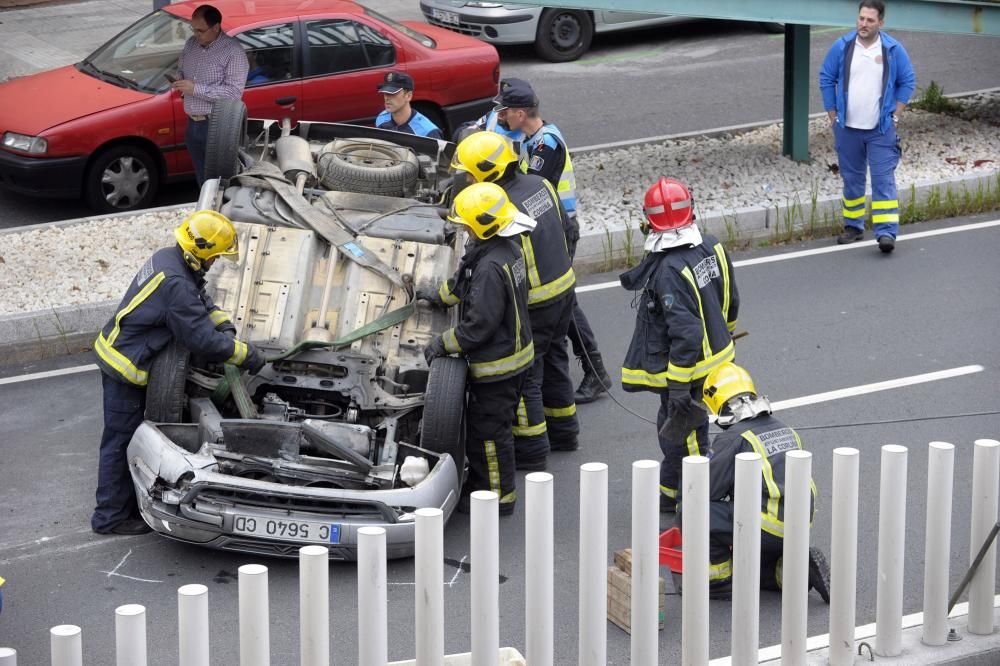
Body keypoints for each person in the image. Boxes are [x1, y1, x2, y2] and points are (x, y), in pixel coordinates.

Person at [91, 210, 266, 535]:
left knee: (121, 438)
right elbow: (200, 338)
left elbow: (199, 298)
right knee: (119, 441)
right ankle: (109, 517)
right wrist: (246, 354)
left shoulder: (170, 259)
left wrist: (223, 323)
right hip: (124, 366)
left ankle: (121, 504)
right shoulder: (175, 283)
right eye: (215, 257)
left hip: (120, 351)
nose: (216, 262)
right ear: (199, 254)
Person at [451, 131, 579, 469]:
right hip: (564, 289)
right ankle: (565, 433)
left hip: (536, 303)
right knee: (555, 360)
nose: (466, 179)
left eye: (470, 174)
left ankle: (532, 452)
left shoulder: (500, 208)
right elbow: (569, 231)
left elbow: (500, 261)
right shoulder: (541, 184)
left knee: (528, 378)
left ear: (486, 172)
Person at [620, 177, 739, 512]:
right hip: (718, 356)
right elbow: (730, 295)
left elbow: (685, 333)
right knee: (680, 430)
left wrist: (677, 387)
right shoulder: (711, 245)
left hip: (688, 371)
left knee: (683, 435)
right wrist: (724, 337)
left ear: (649, 220)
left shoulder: (669, 270)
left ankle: (695, 499)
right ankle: (670, 493)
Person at [418, 182, 535, 515]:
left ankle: (499, 498)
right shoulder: (503, 248)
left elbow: (478, 326)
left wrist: (442, 343)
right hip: (511, 358)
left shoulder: (489, 267)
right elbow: (462, 285)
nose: (464, 230)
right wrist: (435, 295)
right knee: (488, 433)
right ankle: (483, 484)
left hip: (499, 367)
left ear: (482, 226)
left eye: (467, 225)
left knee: (489, 435)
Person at [492, 78, 611, 404]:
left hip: (560, 229)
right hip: (551, 228)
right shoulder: (531, 138)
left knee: (563, 301)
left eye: (504, 112)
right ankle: (590, 368)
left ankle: (595, 370)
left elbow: (532, 188)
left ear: (519, 114)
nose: (500, 117)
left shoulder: (547, 144)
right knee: (562, 302)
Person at [700, 362, 831, 602]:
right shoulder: (784, 428)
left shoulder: (734, 438)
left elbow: (708, 491)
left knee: (694, 509)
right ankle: (795, 572)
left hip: (766, 527)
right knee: (753, 571)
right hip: (796, 525)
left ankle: (718, 581)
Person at [819, 0, 916, 254]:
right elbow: (826, 77)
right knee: (852, 179)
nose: (863, 24)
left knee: (883, 181)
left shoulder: (893, 49)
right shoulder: (842, 46)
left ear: (880, 23)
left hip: (881, 129)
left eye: (870, 20)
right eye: (861, 18)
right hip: (847, 128)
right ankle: (854, 226)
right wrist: (832, 115)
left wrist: (895, 115)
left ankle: (886, 234)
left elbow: (908, 81)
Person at [174, 4, 249, 186]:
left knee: (220, 182)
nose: (196, 34)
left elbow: (233, 94)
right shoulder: (191, 44)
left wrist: (195, 89)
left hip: (217, 125)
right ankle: (205, 211)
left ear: (216, 27)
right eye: (193, 29)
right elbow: (181, 69)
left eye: (201, 30)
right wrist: (179, 81)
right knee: (202, 178)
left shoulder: (233, 52)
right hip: (192, 124)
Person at [375, 71, 444, 139]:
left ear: (408, 96)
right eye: (385, 92)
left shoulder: (428, 133)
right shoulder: (381, 119)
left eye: (392, 93)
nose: (387, 98)